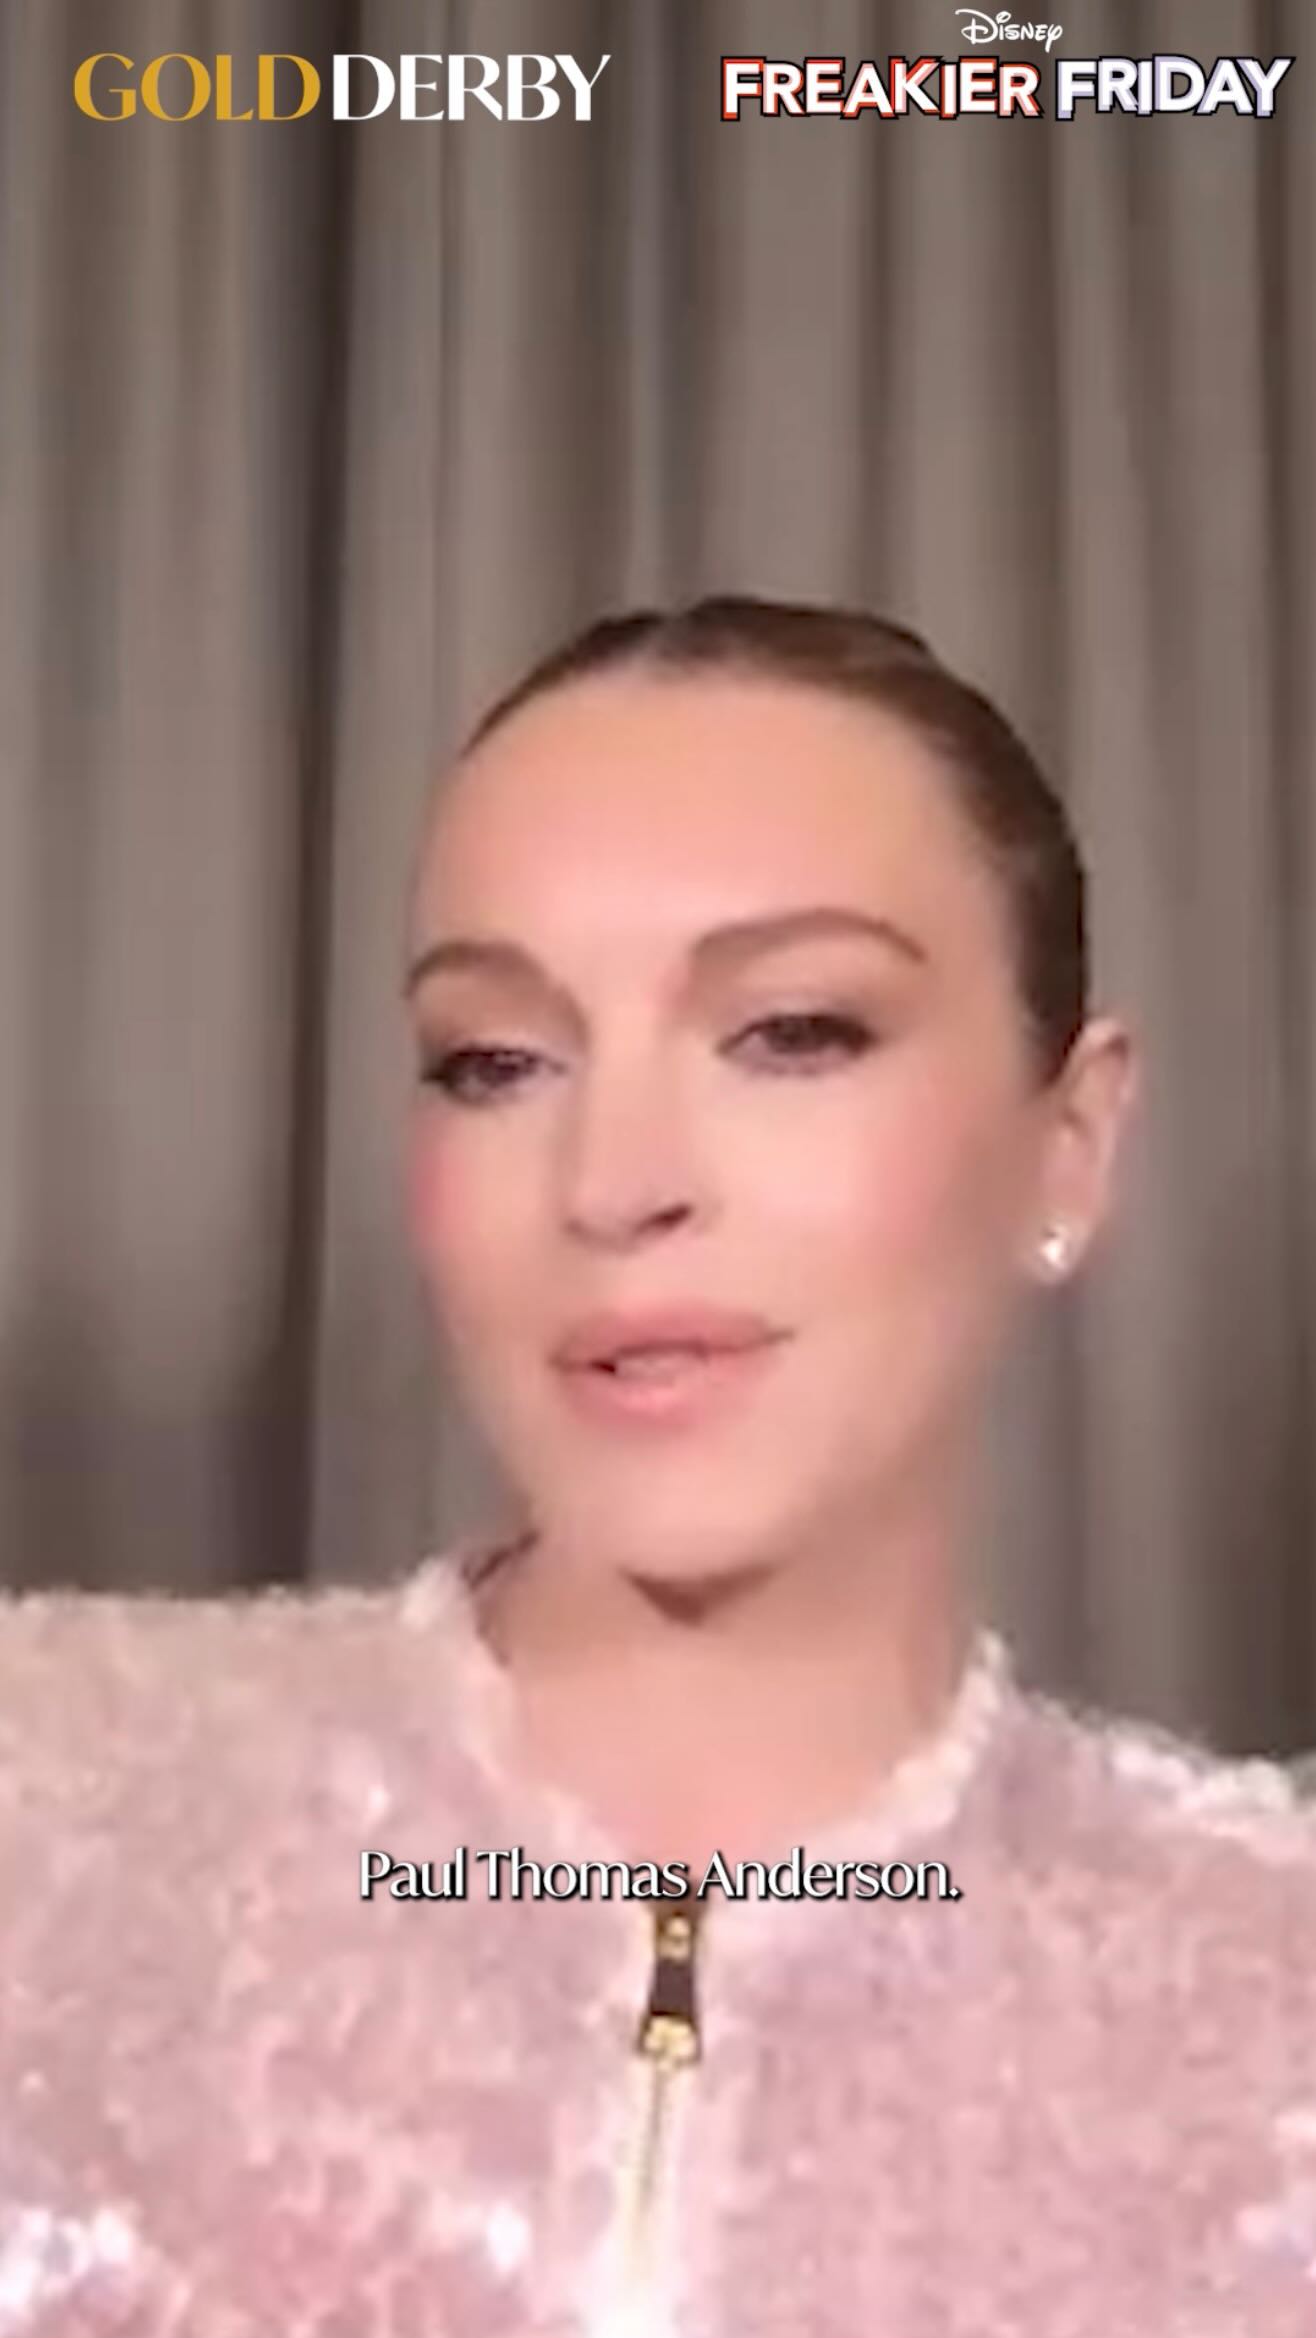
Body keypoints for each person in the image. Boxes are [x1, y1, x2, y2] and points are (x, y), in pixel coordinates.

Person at [1, 596, 1313, 2338]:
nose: (613, 1180)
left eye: (794, 1030)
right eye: (495, 1059)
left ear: (1067, 1143)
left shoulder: (1273, 1998)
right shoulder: (51, 1808)